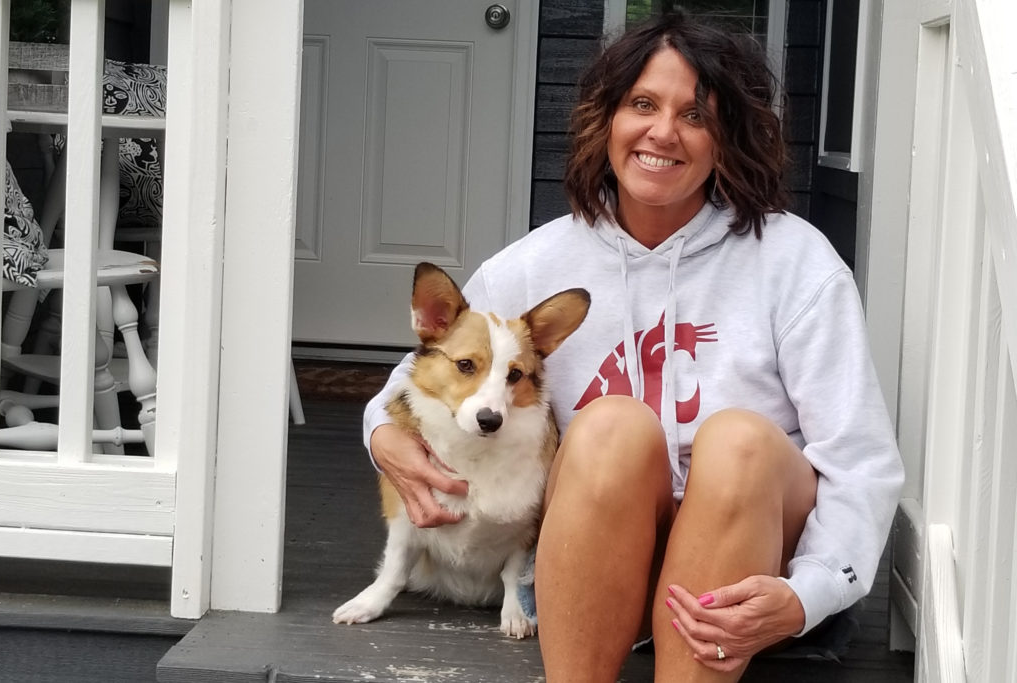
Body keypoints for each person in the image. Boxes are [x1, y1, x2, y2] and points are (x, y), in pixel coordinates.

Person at [362, 9, 904, 682]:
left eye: (696, 115)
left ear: (726, 137)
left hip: (751, 558)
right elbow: (404, 393)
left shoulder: (795, 261)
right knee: (610, 424)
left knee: (738, 440)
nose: (663, 132)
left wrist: (809, 592)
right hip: (600, 556)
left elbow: (860, 461)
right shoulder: (537, 264)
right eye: (641, 104)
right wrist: (383, 437)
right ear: (605, 120)